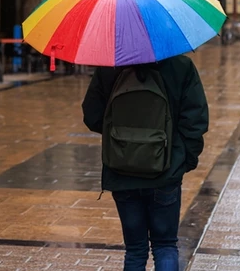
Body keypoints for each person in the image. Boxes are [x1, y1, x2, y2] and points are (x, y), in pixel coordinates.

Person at [82, 56, 209, 271]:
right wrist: (183, 160)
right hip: (166, 171)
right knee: (165, 245)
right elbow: (195, 122)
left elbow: (92, 116)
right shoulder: (181, 66)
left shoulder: (110, 67)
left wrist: (122, 137)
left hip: (122, 171)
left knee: (135, 249)